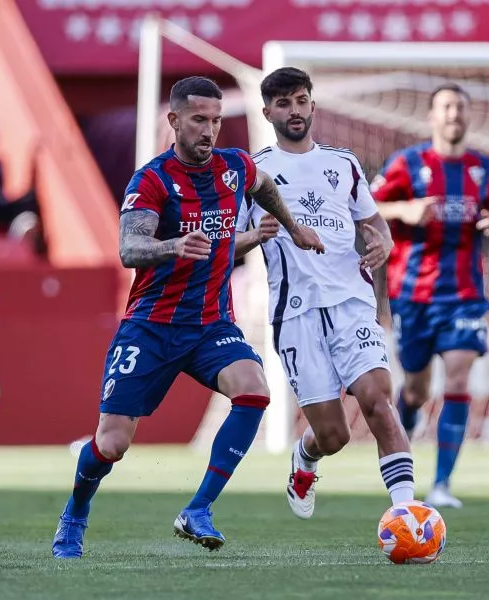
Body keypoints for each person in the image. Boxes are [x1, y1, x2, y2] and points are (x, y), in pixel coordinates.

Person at [51, 76, 324, 558]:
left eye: (217, 120)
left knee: (254, 386)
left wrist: (291, 227)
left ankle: (198, 509)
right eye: (200, 119)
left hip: (210, 325)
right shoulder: (152, 180)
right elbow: (129, 248)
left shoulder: (235, 166)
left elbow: (263, 187)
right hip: (151, 326)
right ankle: (75, 513)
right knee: (112, 444)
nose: (210, 130)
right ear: (174, 120)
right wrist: (174, 245)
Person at [234, 67, 414, 519]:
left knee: (378, 399)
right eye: (283, 103)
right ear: (267, 111)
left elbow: (372, 221)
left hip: (352, 302)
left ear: (313, 104)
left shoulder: (344, 163)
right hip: (296, 313)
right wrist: (257, 235)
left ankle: (407, 513)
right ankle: (306, 457)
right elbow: (228, 241)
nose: (294, 110)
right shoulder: (255, 172)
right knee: (333, 435)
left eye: (300, 100)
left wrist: (384, 241)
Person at [370, 82, 489, 509]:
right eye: (446, 107)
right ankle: (401, 450)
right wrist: (403, 210)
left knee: (460, 375)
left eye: (460, 108)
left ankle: (442, 485)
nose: (453, 115)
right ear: (431, 116)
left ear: (468, 115)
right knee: (414, 390)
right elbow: (366, 207)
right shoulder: (407, 164)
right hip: (413, 294)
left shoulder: (483, 168)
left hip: (465, 294)